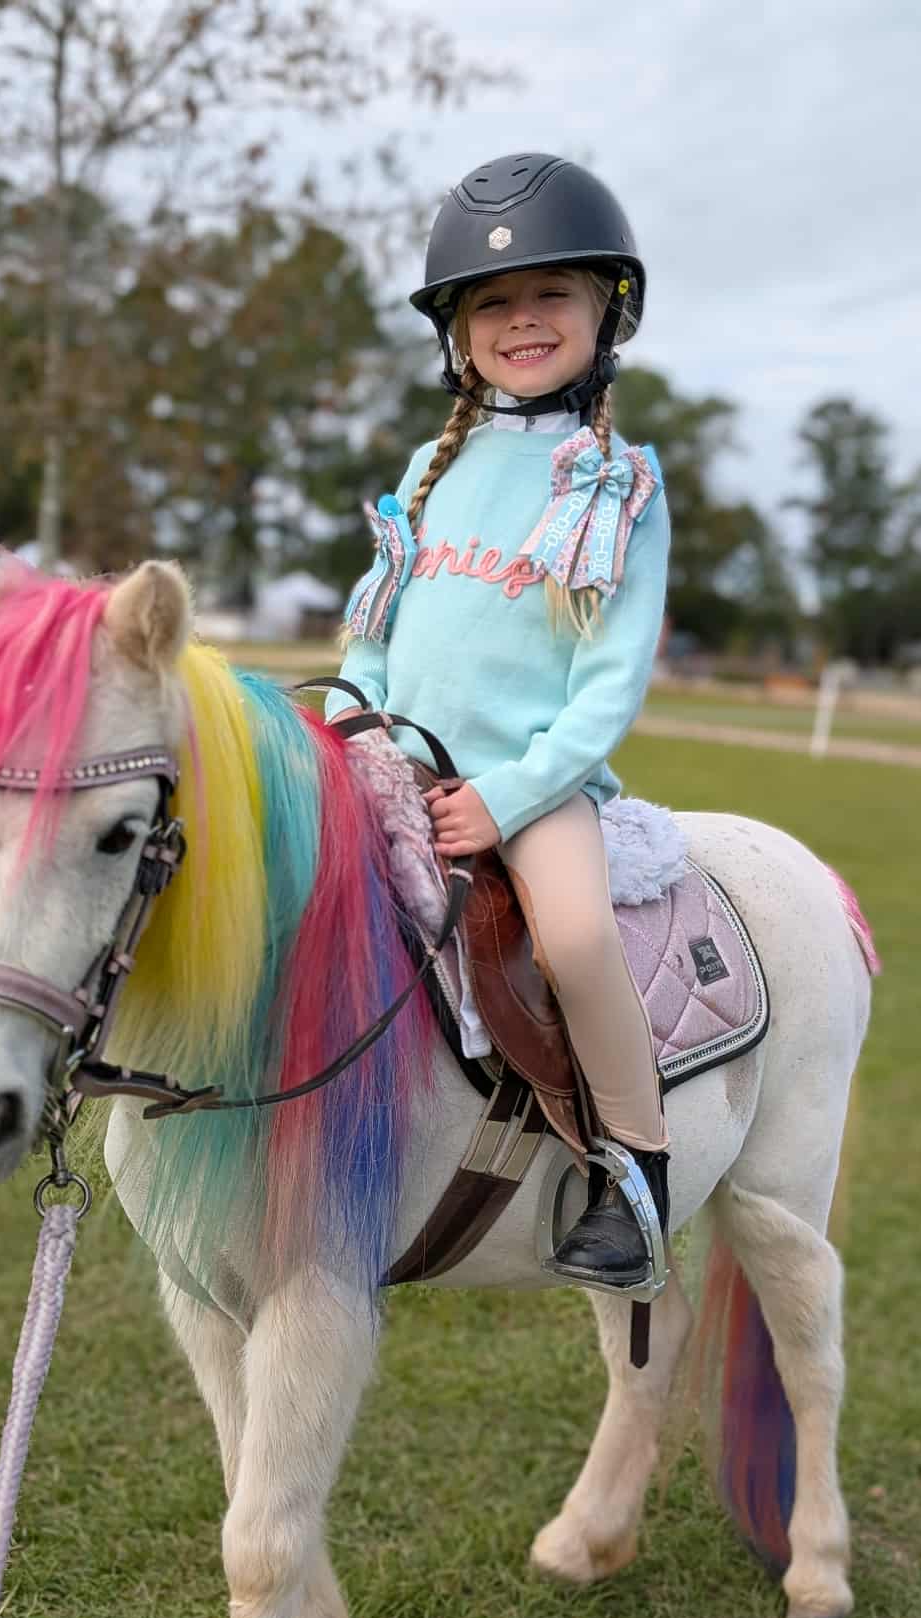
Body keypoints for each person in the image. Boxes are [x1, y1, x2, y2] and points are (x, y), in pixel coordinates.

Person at [332, 152, 672, 1291]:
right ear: (458, 333)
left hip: (532, 784)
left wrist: (508, 796)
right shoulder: (434, 467)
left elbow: (608, 684)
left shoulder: (620, 482)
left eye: (551, 297)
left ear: (604, 314)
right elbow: (369, 639)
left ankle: (634, 1173)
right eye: (493, 303)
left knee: (573, 938)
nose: (522, 319)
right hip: (396, 759)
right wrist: (342, 732)